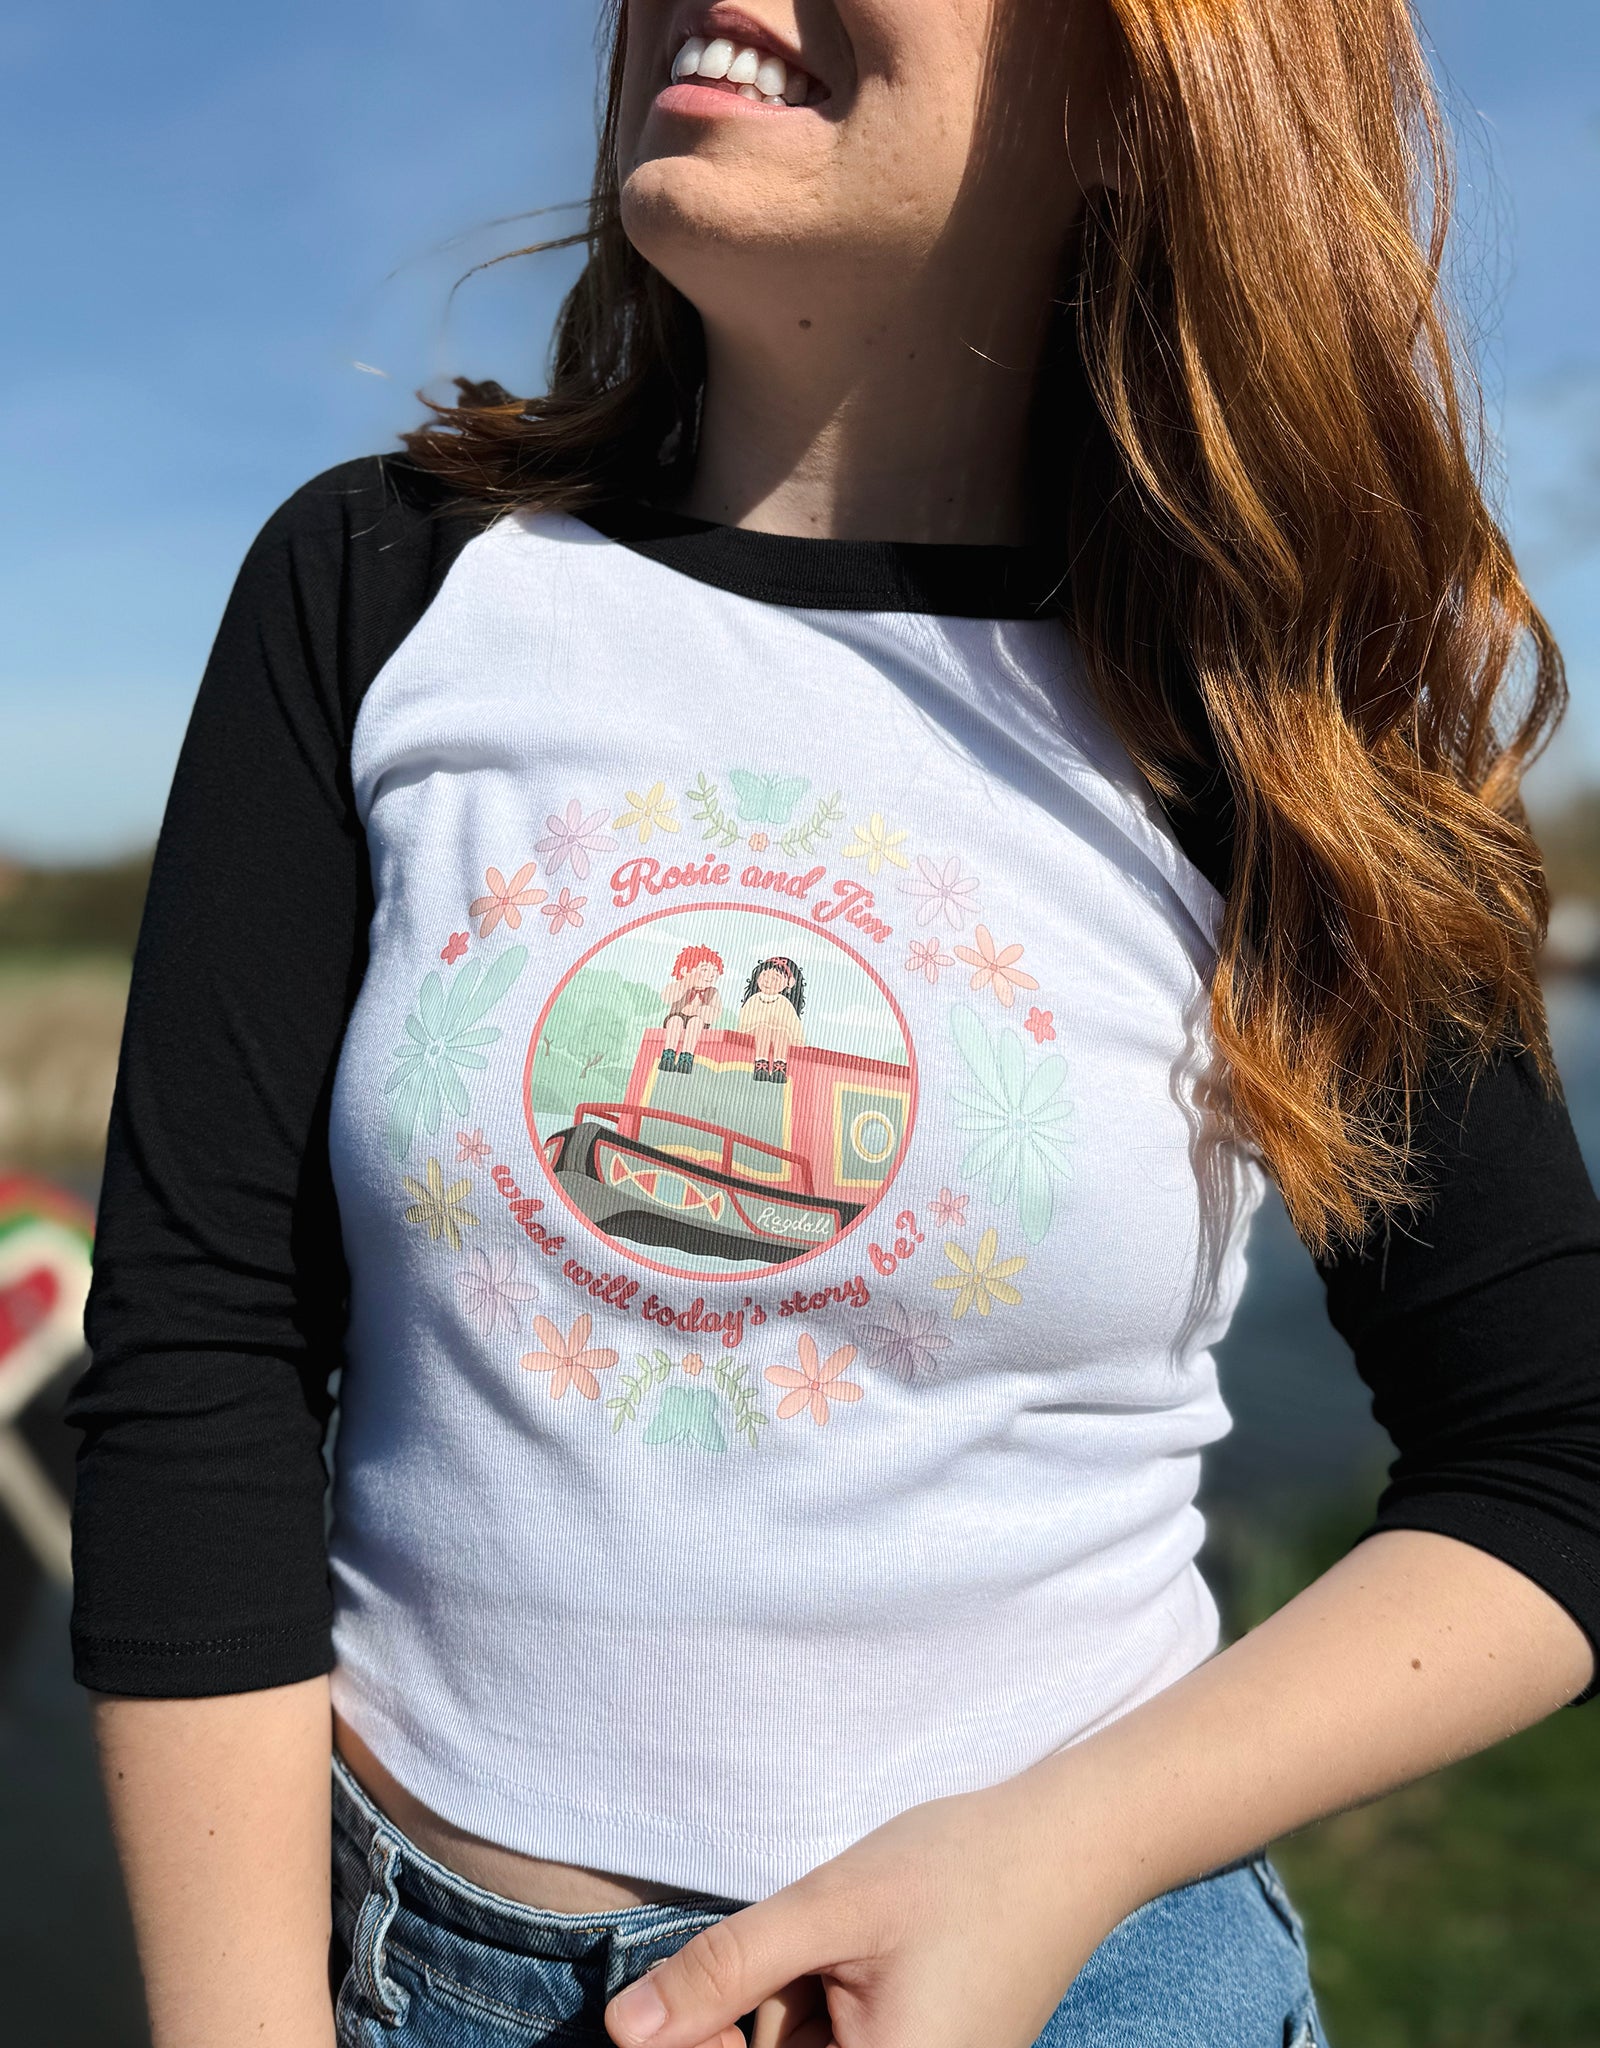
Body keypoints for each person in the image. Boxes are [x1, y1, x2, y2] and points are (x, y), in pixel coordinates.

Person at [70, 3, 1600, 2046]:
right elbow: (205, 1364)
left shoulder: (1276, 712)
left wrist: (1060, 1852)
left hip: (1090, 1990)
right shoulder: (386, 584)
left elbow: (1550, 1462)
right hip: (408, 1983)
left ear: (1151, 79)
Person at [736, 956, 806, 1081]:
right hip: (754, 1032)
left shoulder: (784, 1003)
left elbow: (793, 1024)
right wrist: (763, 1021)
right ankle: (761, 1064)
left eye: (775, 978)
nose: (767, 981)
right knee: (763, 1028)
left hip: (776, 1035)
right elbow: (745, 1020)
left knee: (781, 1033)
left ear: (789, 983)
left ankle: (779, 1066)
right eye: (764, 976)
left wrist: (797, 1039)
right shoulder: (754, 999)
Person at [660, 942, 726, 1073]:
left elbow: (715, 1013)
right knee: (675, 1021)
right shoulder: (679, 985)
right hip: (677, 1016)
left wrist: (702, 1011)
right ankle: (668, 1054)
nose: (711, 975)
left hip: (698, 1020)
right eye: (704, 970)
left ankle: (687, 1056)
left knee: (695, 1022)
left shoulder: (712, 992)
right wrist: (684, 985)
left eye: (715, 971)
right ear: (685, 971)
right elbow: (666, 997)